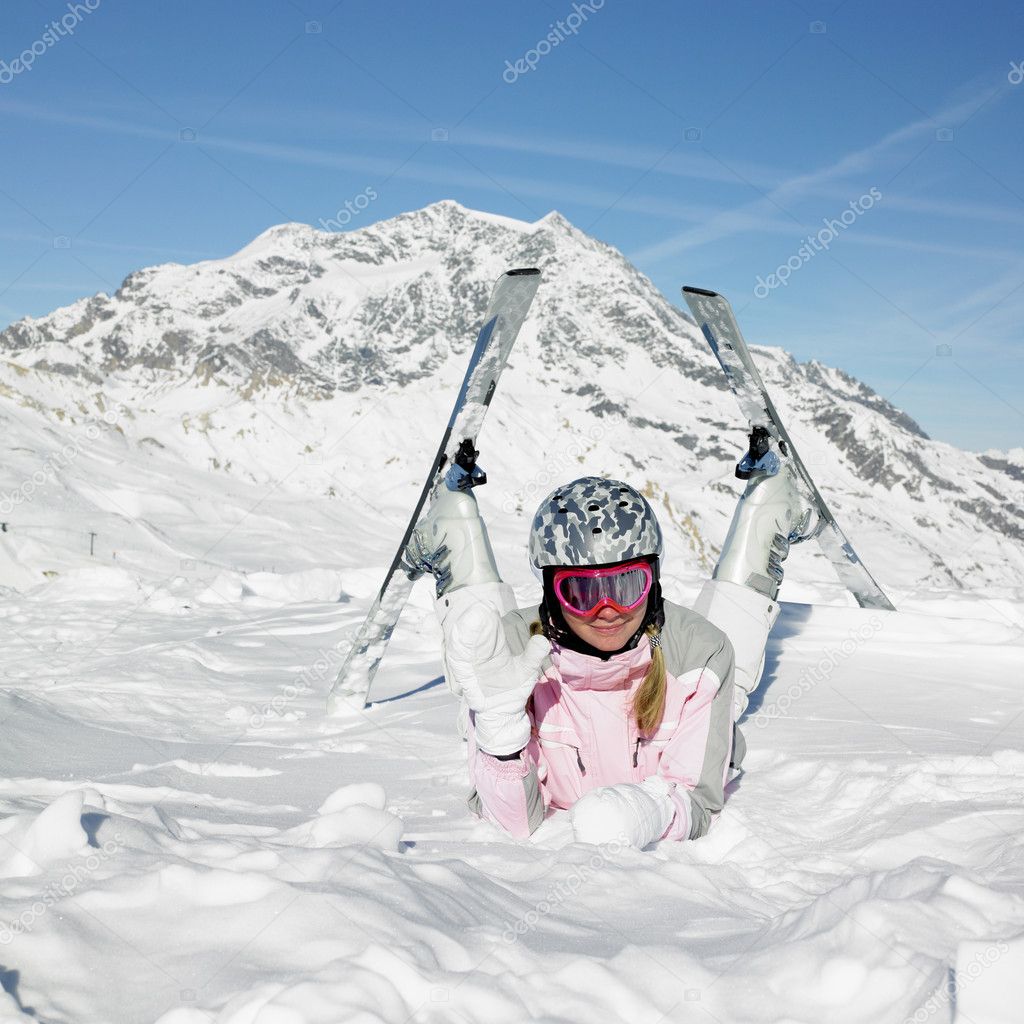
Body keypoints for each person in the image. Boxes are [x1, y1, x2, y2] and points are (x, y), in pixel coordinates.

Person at [404, 437, 808, 847]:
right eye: (580, 592)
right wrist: (500, 738)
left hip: (676, 659)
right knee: (476, 642)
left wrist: (648, 812)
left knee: (728, 672)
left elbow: (698, 797)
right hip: (521, 659)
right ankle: (452, 532)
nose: (608, 609)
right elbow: (515, 825)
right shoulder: (510, 658)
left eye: (628, 584)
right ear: (550, 593)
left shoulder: (701, 656)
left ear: (653, 582)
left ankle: (769, 511)